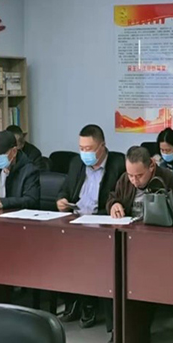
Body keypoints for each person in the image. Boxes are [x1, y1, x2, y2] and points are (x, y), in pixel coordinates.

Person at [104, 146, 173, 343]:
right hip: (128, 241)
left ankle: (136, 330)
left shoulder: (166, 179)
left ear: (151, 166)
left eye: (139, 176)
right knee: (110, 274)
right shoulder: (125, 179)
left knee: (141, 277)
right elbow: (113, 197)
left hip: (157, 245)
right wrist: (114, 205)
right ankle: (116, 329)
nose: (134, 180)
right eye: (130, 175)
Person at [55, 124, 125, 328]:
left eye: (89, 148)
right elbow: (65, 190)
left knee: (91, 257)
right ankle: (72, 300)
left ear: (102, 146)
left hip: (101, 225)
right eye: (81, 148)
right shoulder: (77, 163)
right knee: (56, 251)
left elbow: (121, 199)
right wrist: (61, 200)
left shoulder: (118, 164)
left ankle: (89, 304)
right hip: (75, 222)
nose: (84, 153)